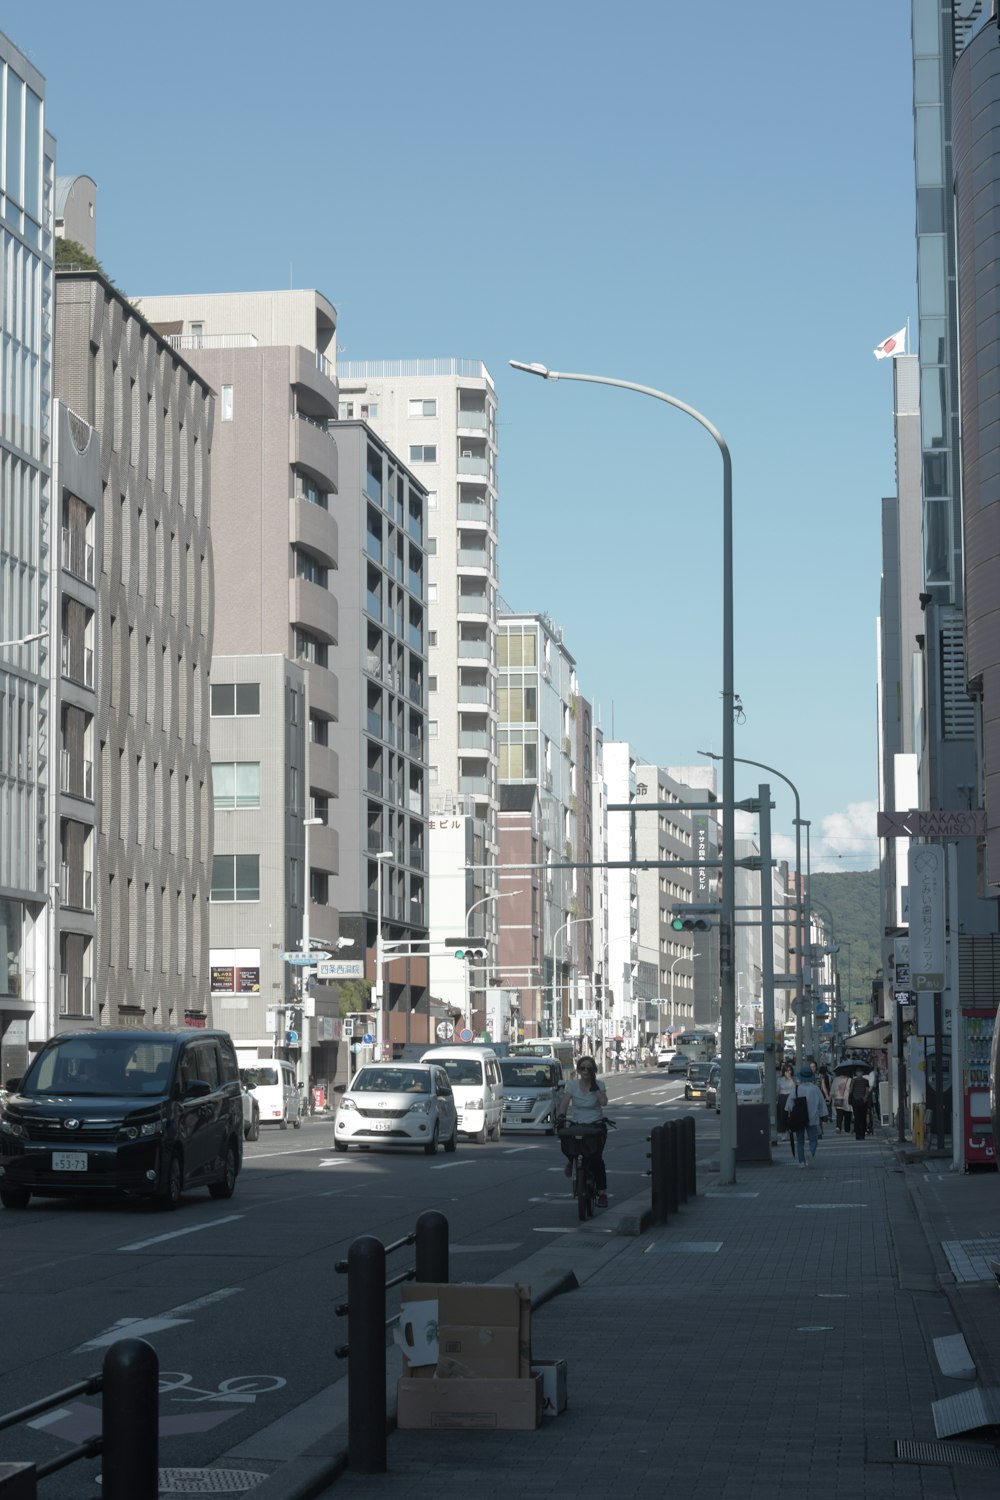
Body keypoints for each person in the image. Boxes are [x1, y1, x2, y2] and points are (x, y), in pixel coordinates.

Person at [556, 1055, 609, 1207]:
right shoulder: (572, 1085)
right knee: (566, 1141)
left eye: (589, 1068)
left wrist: (594, 1085)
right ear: (578, 1070)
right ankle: (571, 1160)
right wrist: (561, 1117)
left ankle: (602, 1192)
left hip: (595, 1125)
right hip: (578, 1123)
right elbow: (564, 1104)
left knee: (597, 1158)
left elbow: (604, 1102)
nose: (586, 1071)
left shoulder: (599, 1084)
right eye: (582, 1068)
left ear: (594, 1070)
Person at [784, 1066, 828, 1167]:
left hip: (799, 1119)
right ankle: (811, 1153)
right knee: (813, 1140)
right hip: (812, 1118)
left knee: (800, 1140)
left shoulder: (796, 1089)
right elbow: (821, 1104)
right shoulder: (815, 1089)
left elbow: (789, 1105)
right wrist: (823, 1115)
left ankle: (801, 1162)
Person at [777, 1061, 797, 1158]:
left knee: (791, 1115)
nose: (788, 1072)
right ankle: (783, 1133)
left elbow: (795, 1087)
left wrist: (791, 1079)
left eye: (789, 1070)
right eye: (786, 1071)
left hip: (791, 1096)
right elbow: (778, 1090)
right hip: (782, 1097)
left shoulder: (793, 1079)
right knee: (782, 1115)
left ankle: (791, 1130)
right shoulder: (780, 1079)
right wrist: (776, 1098)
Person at [849, 1069, 871, 1140]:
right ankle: (857, 1134)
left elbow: (867, 1090)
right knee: (857, 1118)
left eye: (860, 1072)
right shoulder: (853, 1081)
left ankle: (862, 1134)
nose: (859, 1073)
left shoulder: (865, 1081)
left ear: (862, 1073)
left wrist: (865, 1097)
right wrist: (852, 1084)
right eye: (858, 1072)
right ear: (856, 1073)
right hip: (855, 1101)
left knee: (863, 1118)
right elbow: (850, 1091)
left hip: (863, 1101)